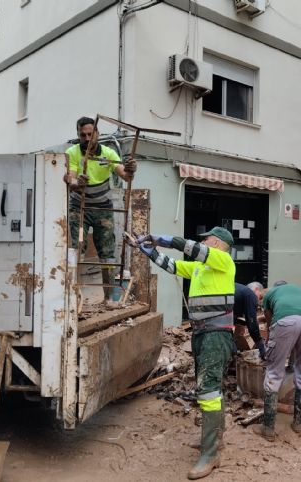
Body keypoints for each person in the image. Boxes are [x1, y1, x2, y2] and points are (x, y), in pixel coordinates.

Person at [131, 226, 235, 480]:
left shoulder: (224, 261)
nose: (203, 242)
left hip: (215, 335)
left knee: (208, 391)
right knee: (211, 388)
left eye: (208, 239)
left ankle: (210, 455)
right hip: (202, 334)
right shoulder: (200, 268)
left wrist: (164, 239)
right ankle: (216, 441)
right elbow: (174, 266)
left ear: (219, 244)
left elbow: (191, 248)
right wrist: (151, 252)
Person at [65, 116, 136, 301]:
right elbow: (69, 178)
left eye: (90, 134)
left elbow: (126, 176)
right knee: (75, 249)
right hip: (79, 206)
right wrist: (76, 182)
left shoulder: (108, 154)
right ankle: (73, 296)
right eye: (83, 135)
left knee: (107, 253)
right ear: (78, 135)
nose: (87, 139)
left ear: (97, 133)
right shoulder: (73, 152)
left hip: (103, 208)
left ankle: (110, 297)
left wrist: (131, 170)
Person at [252, 281, 301, 441]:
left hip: (285, 322)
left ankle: (268, 428)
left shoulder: (269, 294)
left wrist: (271, 342)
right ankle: (298, 423)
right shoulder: (298, 290)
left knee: (274, 371)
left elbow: (270, 321)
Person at [233, 282, 266, 358]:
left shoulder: (238, 290)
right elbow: (252, 322)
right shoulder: (250, 294)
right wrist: (260, 345)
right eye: (260, 297)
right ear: (256, 289)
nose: (258, 302)